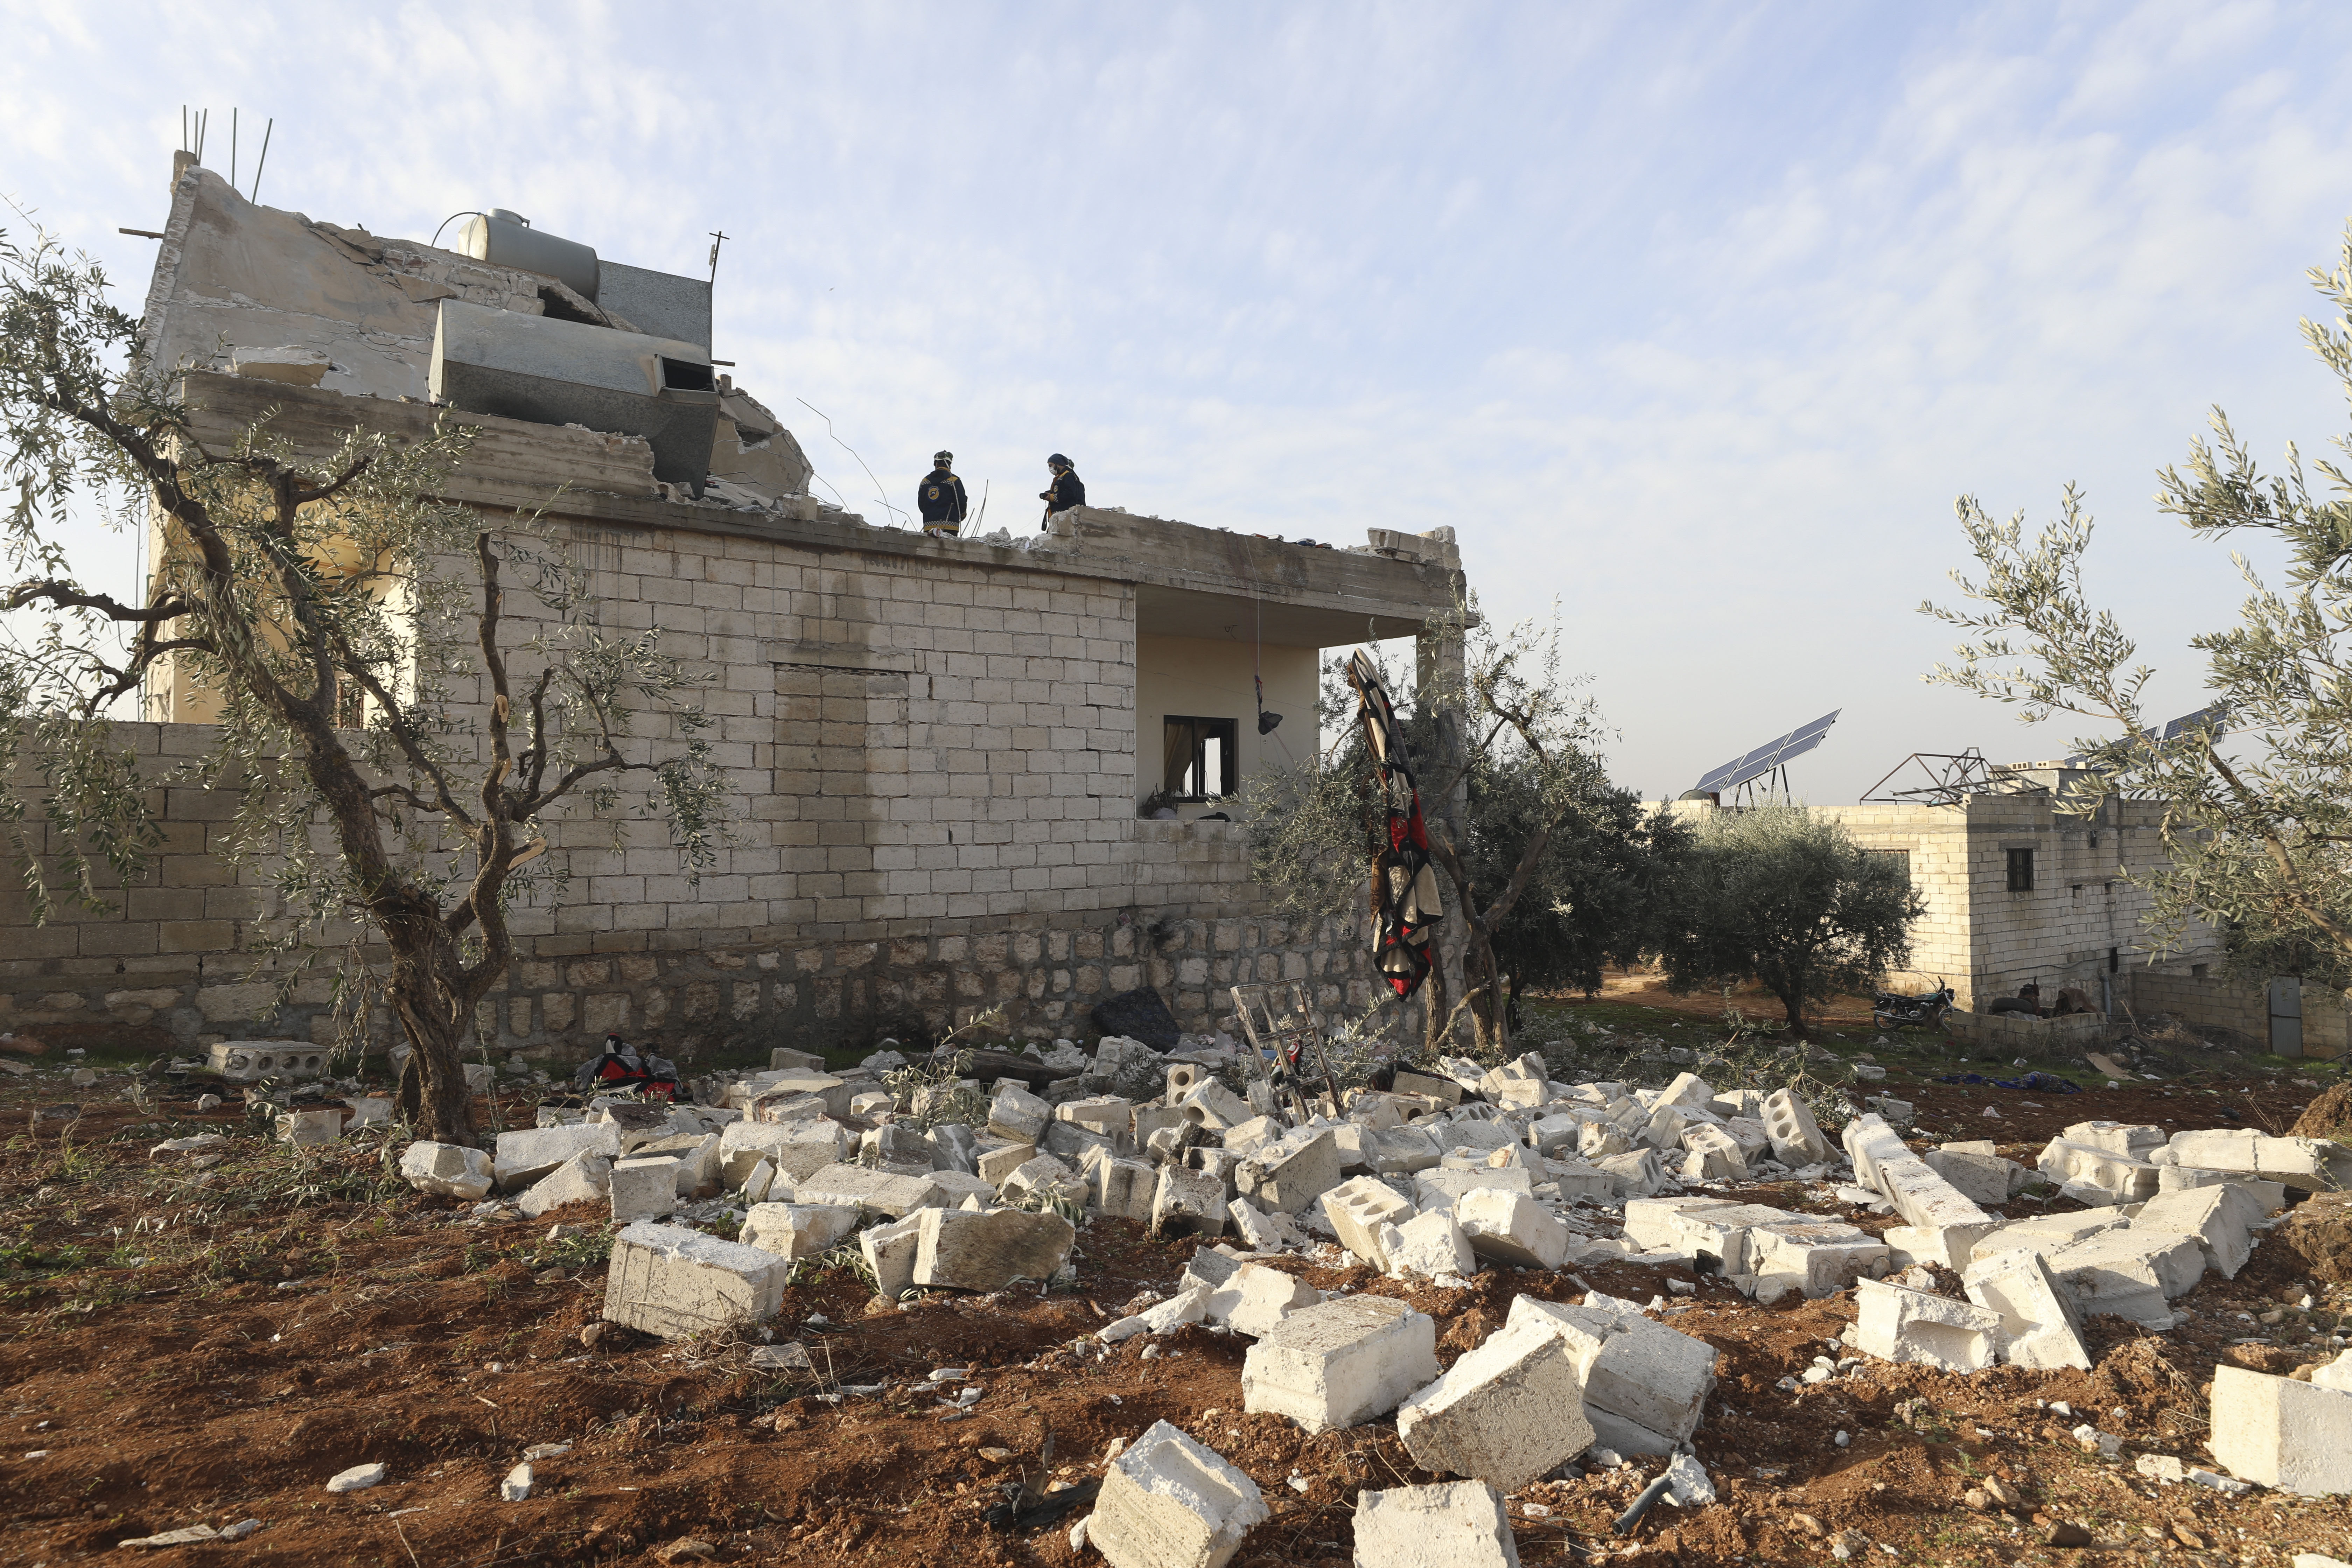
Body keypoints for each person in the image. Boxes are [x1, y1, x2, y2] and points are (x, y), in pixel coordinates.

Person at [917, 451, 968, 537]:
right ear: (950, 465)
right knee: (950, 545)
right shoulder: (954, 480)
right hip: (951, 526)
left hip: (929, 526)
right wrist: (962, 515)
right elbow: (961, 502)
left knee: (930, 545)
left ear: (936, 464)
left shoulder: (925, 482)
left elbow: (921, 505)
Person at [1039, 453, 1085, 527]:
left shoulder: (1068, 475)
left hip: (1064, 516)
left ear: (1058, 464)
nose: (1050, 468)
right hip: (1058, 517)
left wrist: (1052, 497)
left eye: (1051, 465)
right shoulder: (1060, 477)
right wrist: (1051, 494)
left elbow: (1070, 493)